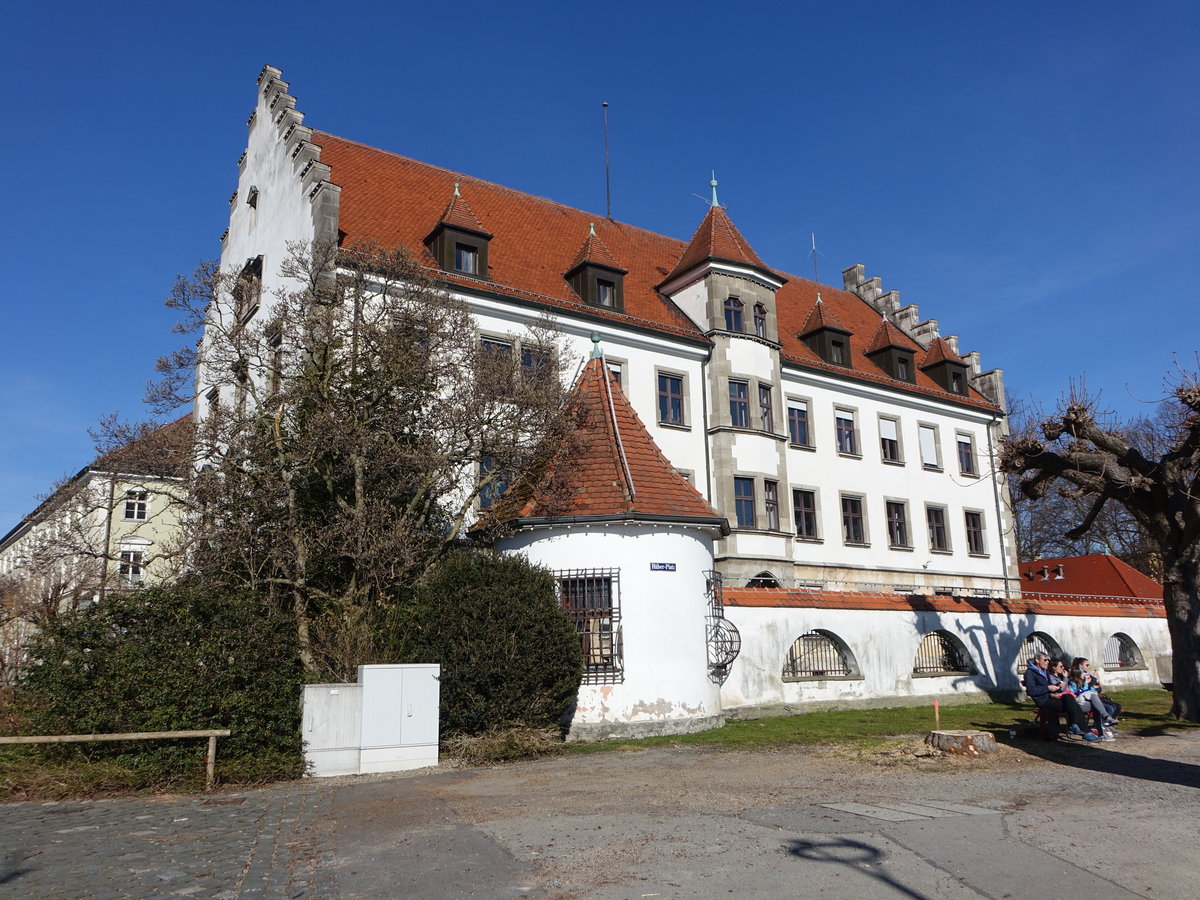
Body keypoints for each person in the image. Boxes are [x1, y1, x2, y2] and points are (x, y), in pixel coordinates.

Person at [1024, 652, 1100, 741]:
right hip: (1044, 701)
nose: (1047, 662)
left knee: (1069, 697)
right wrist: (1047, 688)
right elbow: (1030, 691)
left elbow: (1049, 687)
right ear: (1037, 660)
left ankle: (1075, 726)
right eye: (1045, 660)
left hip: (1053, 697)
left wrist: (1057, 686)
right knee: (1073, 705)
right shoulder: (1030, 673)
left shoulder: (1044, 671)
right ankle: (1082, 730)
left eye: (1048, 660)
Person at [1072, 657, 1121, 722]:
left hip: (1092, 698)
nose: (1088, 667)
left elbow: (1098, 689)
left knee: (1117, 706)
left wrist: (1094, 685)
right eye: (1087, 665)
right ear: (1080, 666)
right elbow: (1079, 692)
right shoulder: (1074, 680)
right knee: (1109, 707)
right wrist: (1087, 684)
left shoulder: (1088, 676)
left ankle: (1107, 723)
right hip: (1083, 701)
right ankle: (1104, 722)